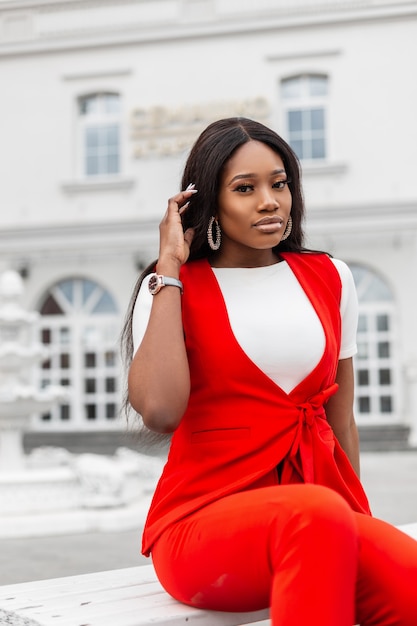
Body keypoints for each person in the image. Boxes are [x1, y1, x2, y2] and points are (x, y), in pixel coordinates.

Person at [122, 117, 417, 625]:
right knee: (318, 514)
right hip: (202, 525)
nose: (269, 201)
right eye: (244, 188)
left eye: (279, 183)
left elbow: (340, 420)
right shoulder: (171, 287)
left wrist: (358, 524)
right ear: (207, 202)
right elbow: (161, 411)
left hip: (318, 519)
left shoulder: (331, 277)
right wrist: (169, 266)